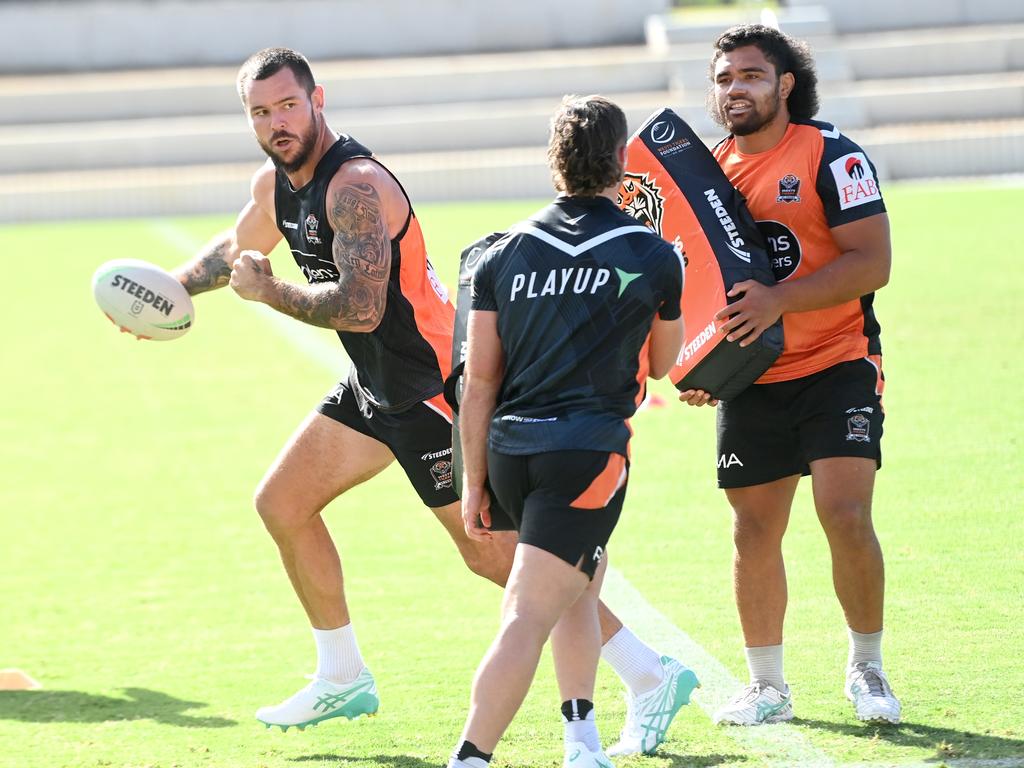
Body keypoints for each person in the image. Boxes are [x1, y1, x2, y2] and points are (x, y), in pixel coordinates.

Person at [168, 48, 696, 740]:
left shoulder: (356, 186)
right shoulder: (275, 185)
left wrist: (267, 292)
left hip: (430, 390)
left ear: (317, 98)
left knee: (500, 558)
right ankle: (341, 676)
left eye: (288, 105)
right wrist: (172, 290)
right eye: (261, 112)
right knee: (283, 503)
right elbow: (237, 247)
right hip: (375, 385)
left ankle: (650, 673)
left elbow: (359, 307)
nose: (277, 122)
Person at [448, 95, 687, 768]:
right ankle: (469, 756)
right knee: (527, 615)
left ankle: (582, 741)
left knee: (582, 579)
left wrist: (473, 483)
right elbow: (665, 365)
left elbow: (480, 382)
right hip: (584, 458)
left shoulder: (500, 254)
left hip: (508, 456)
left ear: (554, 161)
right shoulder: (652, 253)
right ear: (620, 161)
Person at [679, 24, 901, 725]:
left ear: (785, 84)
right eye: (723, 79)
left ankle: (867, 668)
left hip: (837, 361)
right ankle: (767, 686)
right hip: (754, 379)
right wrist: (698, 362)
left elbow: (873, 263)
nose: (735, 89)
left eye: (749, 75)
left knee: (844, 513)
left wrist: (780, 299)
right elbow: (697, 285)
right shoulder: (708, 174)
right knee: (752, 531)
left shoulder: (832, 155)